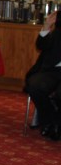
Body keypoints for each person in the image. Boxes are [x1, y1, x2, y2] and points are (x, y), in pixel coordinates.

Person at [24, 10, 61, 141]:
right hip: (52, 69)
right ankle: (50, 121)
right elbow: (41, 45)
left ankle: (55, 124)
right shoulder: (58, 30)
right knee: (35, 85)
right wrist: (46, 26)